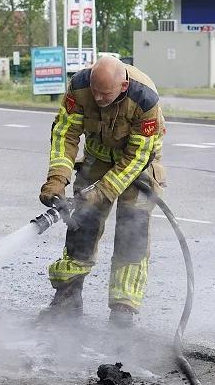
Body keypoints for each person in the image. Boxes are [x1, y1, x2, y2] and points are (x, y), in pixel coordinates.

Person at [38, 56, 166, 328]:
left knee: (132, 230)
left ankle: (123, 308)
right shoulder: (79, 87)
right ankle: (68, 296)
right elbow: (65, 133)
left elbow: (136, 157)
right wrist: (57, 179)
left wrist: (102, 191)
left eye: (105, 94)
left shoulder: (145, 99)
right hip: (98, 158)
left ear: (123, 86)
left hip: (139, 166)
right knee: (82, 226)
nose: (97, 98)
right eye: (95, 91)